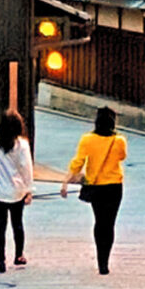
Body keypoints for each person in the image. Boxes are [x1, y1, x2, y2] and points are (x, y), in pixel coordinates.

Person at [61, 104, 128, 276]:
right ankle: (106, 261)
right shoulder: (119, 140)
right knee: (110, 223)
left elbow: (78, 162)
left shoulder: (87, 139)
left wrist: (67, 180)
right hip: (114, 186)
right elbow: (122, 156)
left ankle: (100, 261)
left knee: (99, 222)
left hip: (96, 187)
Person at [0, 109, 36, 273]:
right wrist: (29, 189)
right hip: (16, 191)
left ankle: (1, 261)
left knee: (0, 226)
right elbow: (26, 168)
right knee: (17, 223)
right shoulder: (22, 145)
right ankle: (19, 255)